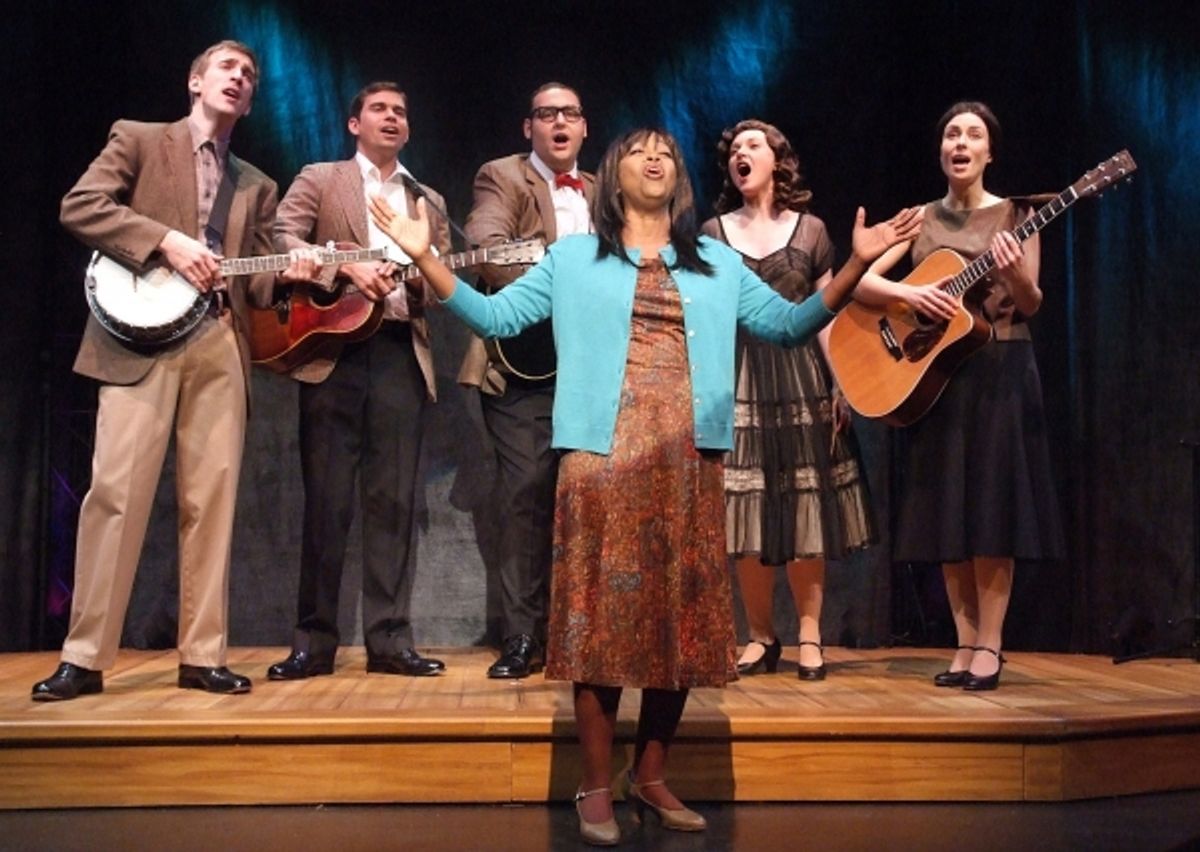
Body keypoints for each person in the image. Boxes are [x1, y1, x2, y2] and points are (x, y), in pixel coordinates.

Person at [371, 127, 921, 843]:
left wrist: (853, 267)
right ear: (612, 176)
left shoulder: (717, 262)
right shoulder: (572, 258)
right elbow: (495, 317)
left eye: (665, 151)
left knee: (683, 624)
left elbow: (789, 327)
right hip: (600, 461)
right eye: (637, 151)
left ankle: (652, 775)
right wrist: (423, 256)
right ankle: (595, 785)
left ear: (680, 178)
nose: (654, 159)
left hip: (690, 458)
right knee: (597, 625)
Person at [32, 41, 317, 701]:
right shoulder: (138, 140)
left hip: (219, 339)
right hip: (137, 341)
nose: (240, 78)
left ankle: (202, 652)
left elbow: (262, 285)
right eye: (228, 67)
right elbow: (81, 206)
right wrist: (164, 239)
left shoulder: (257, 184)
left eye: (249, 75)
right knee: (114, 495)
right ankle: (84, 655)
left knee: (210, 502)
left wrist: (300, 274)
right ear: (195, 80)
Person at [854, 101, 1065, 691]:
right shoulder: (919, 218)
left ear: (989, 152)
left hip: (1001, 368)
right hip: (936, 376)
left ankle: (992, 644)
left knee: (994, 510)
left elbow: (1030, 303)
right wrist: (912, 296)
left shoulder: (1019, 215)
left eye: (974, 135)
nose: (961, 142)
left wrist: (1015, 272)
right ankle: (963, 640)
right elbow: (863, 278)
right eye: (951, 133)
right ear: (941, 150)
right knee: (947, 511)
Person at [265, 82, 451, 681]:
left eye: (401, 111)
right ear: (355, 124)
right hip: (333, 353)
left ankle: (390, 640)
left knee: (393, 502)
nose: (392, 118)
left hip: (399, 351)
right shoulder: (322, 178)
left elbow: (439, 281)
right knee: (326, 502)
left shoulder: (428, 200)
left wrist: (414, 276)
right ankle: (313, 642)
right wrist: (342, 263)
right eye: (380, 110)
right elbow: (280, 238)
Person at [702, 120, 877, 681]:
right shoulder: (712, 234)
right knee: (747, 512)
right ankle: (759, 635)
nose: (741, 155)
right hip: (742, 377)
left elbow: (827, 313)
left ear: (778, 160)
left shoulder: (812, 230)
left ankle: (808, 634)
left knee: (806, 510)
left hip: (802, 376)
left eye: (753, 146)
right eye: (734, 150)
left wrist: (840, 380)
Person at [461, 82, 594, 679]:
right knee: (526, 496)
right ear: (528, 127)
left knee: (594, 500)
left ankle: (584, 634)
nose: (559, 122)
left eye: (569, 113)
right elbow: (487, 251)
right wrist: (566, 267)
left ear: (584, 128)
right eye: (547, 114)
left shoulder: (604, 190)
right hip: (524, 366)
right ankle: (522, 638)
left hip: (594, 365)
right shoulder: (504, 177)